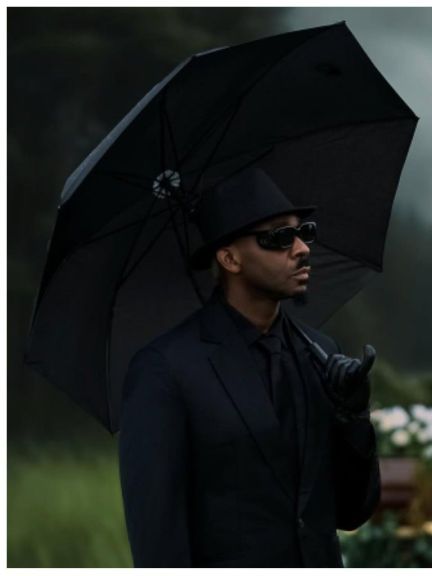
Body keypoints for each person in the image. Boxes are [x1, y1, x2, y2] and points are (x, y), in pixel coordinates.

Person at [118, 165, 380, 567]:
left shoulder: (321, 353)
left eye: (304, 231)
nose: (302, 248)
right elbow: (158, 542)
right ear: (229, 258)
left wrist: (353, 416)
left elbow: (351, 511)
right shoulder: (164, 370)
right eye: (279, 237)